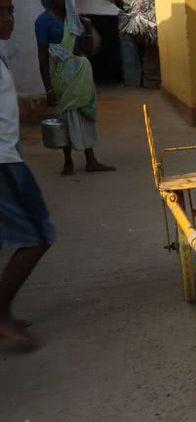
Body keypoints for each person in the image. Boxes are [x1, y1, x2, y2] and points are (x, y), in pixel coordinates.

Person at [0, 0, 54, 347]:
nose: (8, 18)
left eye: (10, 10)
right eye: (1, 12)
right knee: (37, 236)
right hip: (3, 162)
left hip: (9, 154)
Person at [35, 0, 114, 175]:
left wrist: (87, 28)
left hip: (81, 74)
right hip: (61, 76)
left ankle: (91, 160)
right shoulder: (43, 21)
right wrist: (48, 88)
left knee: (86, 114)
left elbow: (87, 49)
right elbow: (42, 57)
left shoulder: (75, 20)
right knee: (66, 117)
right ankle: (68, 161)